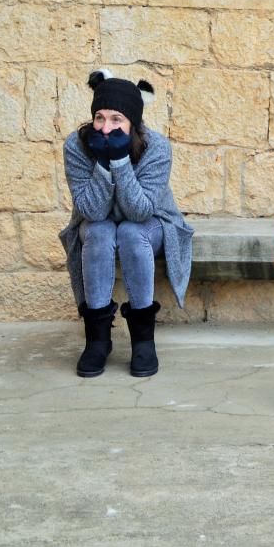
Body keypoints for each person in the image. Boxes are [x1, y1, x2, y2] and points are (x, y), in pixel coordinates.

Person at [59, 70, 193, 378]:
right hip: (99, 222)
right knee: (98, 231)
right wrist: (103, 164)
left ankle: (143, 341)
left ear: (132, 122)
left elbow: (140, 211)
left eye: (116, 119)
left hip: (153, 222)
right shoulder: (76, 146)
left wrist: (119, 160)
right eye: (100, 118)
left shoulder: (157, 147)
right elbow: (91, 211)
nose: (106, 128)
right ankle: (97, 340)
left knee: (132, 233)